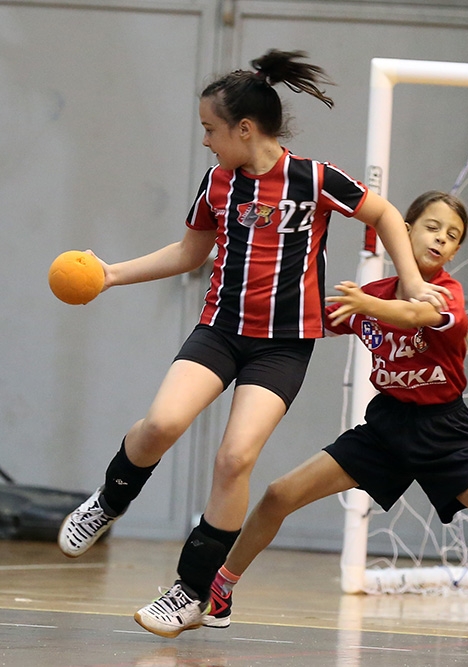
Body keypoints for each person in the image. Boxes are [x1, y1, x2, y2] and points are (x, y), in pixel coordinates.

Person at [56, 50, 446, 638]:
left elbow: (387, 214)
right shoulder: (217, 184)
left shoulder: (315, 179)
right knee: (161, 424)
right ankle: (110, 499)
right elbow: (189, 252)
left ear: (244, 129)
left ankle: (191, 591)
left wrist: (411, 282)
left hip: (284, 347)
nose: (205, 141)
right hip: (221, 330)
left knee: (235, 459)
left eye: (210, 130)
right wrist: (111, 274)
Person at [199, 191, 468, 667]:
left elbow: (415, 314)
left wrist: (367, 305)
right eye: (432, 227)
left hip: (444, 432)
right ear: (405, 230)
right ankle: (219, 589)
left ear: (456, 251)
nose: (440, 239)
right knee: (277, 495)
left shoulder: (445, 295)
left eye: (452, 236)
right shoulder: (372, 295)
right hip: (385, 429)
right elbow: (306, 319)